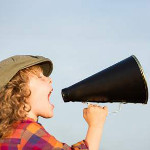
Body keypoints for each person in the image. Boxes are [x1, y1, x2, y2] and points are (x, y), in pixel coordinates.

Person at [0, 55, 108, 150]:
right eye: (40, 77)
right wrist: (96, 125)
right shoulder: (26, 132)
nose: (50, 79)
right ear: (18, 91)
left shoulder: (8, 134)